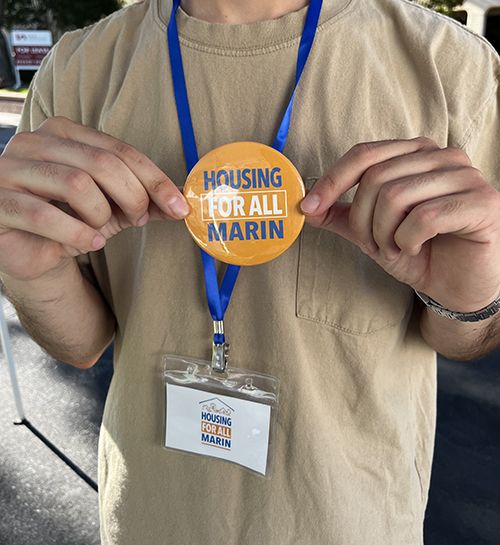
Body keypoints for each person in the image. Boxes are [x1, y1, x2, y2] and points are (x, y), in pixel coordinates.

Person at [0, 0, 499, 543]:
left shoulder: (452, 65)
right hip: (148, 517)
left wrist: (470, 300)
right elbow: (82, 345)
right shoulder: (77, 70)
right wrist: (32, 274)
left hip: (355, 522)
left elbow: (471, 338)